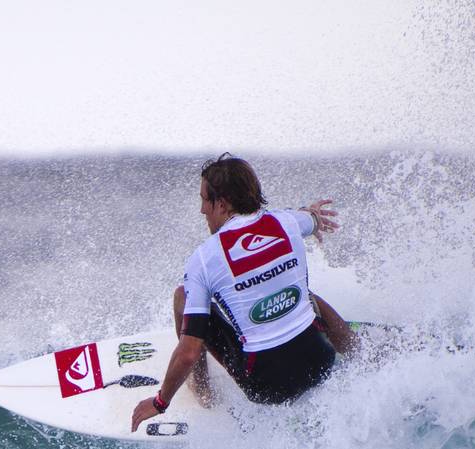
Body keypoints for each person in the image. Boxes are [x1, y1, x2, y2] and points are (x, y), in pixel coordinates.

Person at [131, 154, 356, 433]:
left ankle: (203, 393)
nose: (202, 209)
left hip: (268, 387)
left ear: (222, 203)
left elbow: (188, 353)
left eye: (204, 199)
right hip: (321, 362)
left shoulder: (204, 259)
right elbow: (311, 218)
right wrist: (311, 213)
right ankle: (357, 350)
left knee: (183, 298)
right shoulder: (287, 223)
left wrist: (160, 402)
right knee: (301, 294)